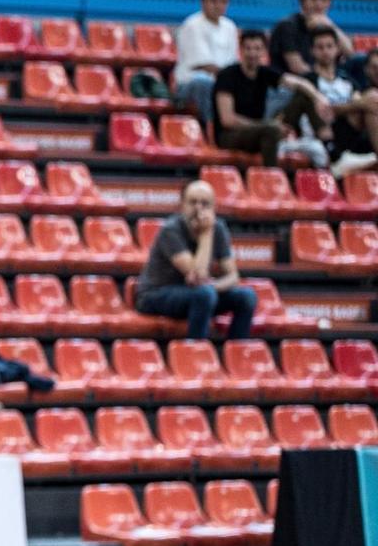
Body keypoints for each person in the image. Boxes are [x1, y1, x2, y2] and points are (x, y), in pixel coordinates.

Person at [132, 180, 255, 340]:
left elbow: (233, 277)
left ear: (214, 208)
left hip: (195, 293)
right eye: (193, 202)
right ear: (182, 204)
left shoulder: (218, 228)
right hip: (155, 295)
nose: (198, 208)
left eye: (205, 203)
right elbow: (198, 275)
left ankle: (237, 354)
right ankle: (196, 355)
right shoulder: (171, 230)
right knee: (204, 294)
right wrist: (206, 234)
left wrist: (213, 286)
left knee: (246, 297)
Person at [211, 30, 325, 164]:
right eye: (248, 48)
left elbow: (298, 83)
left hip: (261, 129)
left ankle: (329, 146)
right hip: (230, 135)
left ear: (264, 52)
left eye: (257, 48)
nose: (252, 53)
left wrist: (319, 98)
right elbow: (228, 120)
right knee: (270, 130)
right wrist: (269, 126)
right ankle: (271, 177)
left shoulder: (264, 72)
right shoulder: (227, 75)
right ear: (240, 50)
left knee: (303, 97)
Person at [308, 28, 377, 175]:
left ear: (337, 49)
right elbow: (323, 111)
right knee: (371, 98)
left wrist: (357, 104)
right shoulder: (308, 80)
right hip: (324, 134)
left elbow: (361, 103)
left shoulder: (346, 79)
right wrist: (355, 105)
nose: (325, 51)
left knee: (371, 101)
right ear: (312, 51)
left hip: (350, 133)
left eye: (329, 46)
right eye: (320, 47)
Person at [173, 0, 237, 128]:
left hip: (222, 82)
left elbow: (232, 62)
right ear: (203, 2)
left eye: (223, 1)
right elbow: (204, 65)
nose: (218, 6)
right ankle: (212, 128)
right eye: (213, 1)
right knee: (204, 82)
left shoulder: (230, 27)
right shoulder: (192, 25)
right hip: (190, 84)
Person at [268, 0, 355, 81]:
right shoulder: (287, 26)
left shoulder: (328, 27)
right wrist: (327, 80)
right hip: (291, 87)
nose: (318, 4)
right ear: (302, 1)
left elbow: (350, 53)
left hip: (323, 84)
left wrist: (331, 25)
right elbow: (297, 67)